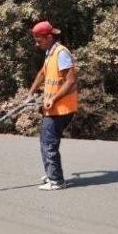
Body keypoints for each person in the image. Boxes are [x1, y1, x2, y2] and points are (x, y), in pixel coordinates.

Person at [27, 20, 78, 191]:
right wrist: (31, 92)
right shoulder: (50, 51)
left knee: (49, 143)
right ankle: (51, 173)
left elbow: (70, 81)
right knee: (45, 141)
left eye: (39, 40)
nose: (36, 43)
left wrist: (53, 98)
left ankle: (56, 180)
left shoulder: (62, 53)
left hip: (62, 108)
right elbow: (43, 72)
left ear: (49, 37)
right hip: (52, 107)